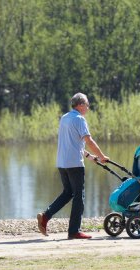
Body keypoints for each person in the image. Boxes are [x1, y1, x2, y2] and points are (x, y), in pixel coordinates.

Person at [37, 93, 109, 239]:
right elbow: (88, 141)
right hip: (75, 164)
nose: (88, 108)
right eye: (87, 105)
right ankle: (74, 231)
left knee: (68, 192)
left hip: (62, 163)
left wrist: (89, 157)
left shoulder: (64, 118)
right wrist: (102, 156)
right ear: (81, 105)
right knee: (79, 197)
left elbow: (74, 143)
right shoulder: (79, 119)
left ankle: (45, 216)